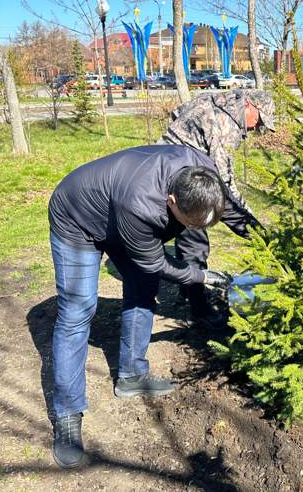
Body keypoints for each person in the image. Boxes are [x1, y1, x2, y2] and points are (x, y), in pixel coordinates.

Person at [47, 144, 260, 468]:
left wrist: (275, 245)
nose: (193, 232)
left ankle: (132, 375)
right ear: (171, 201)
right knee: (78, 311)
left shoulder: (204, 175)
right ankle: (67, 413)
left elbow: (232, 212)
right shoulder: (140, 204)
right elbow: (155, 264)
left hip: (120, 214)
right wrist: (200, 275)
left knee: (142, 292)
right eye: (188, 223)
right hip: (78, 220)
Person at [158, 89, 275, 325]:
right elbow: (224, 185)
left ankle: (187, 291)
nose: (257, 127)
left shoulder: (216, 101)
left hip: (166, 166)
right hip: (187, 182)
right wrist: (252, 225)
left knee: (187, 236)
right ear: (250, 107)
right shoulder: (225, 122)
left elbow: (176, 115)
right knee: (195, 242)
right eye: (259, 120)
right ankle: (200, 311)